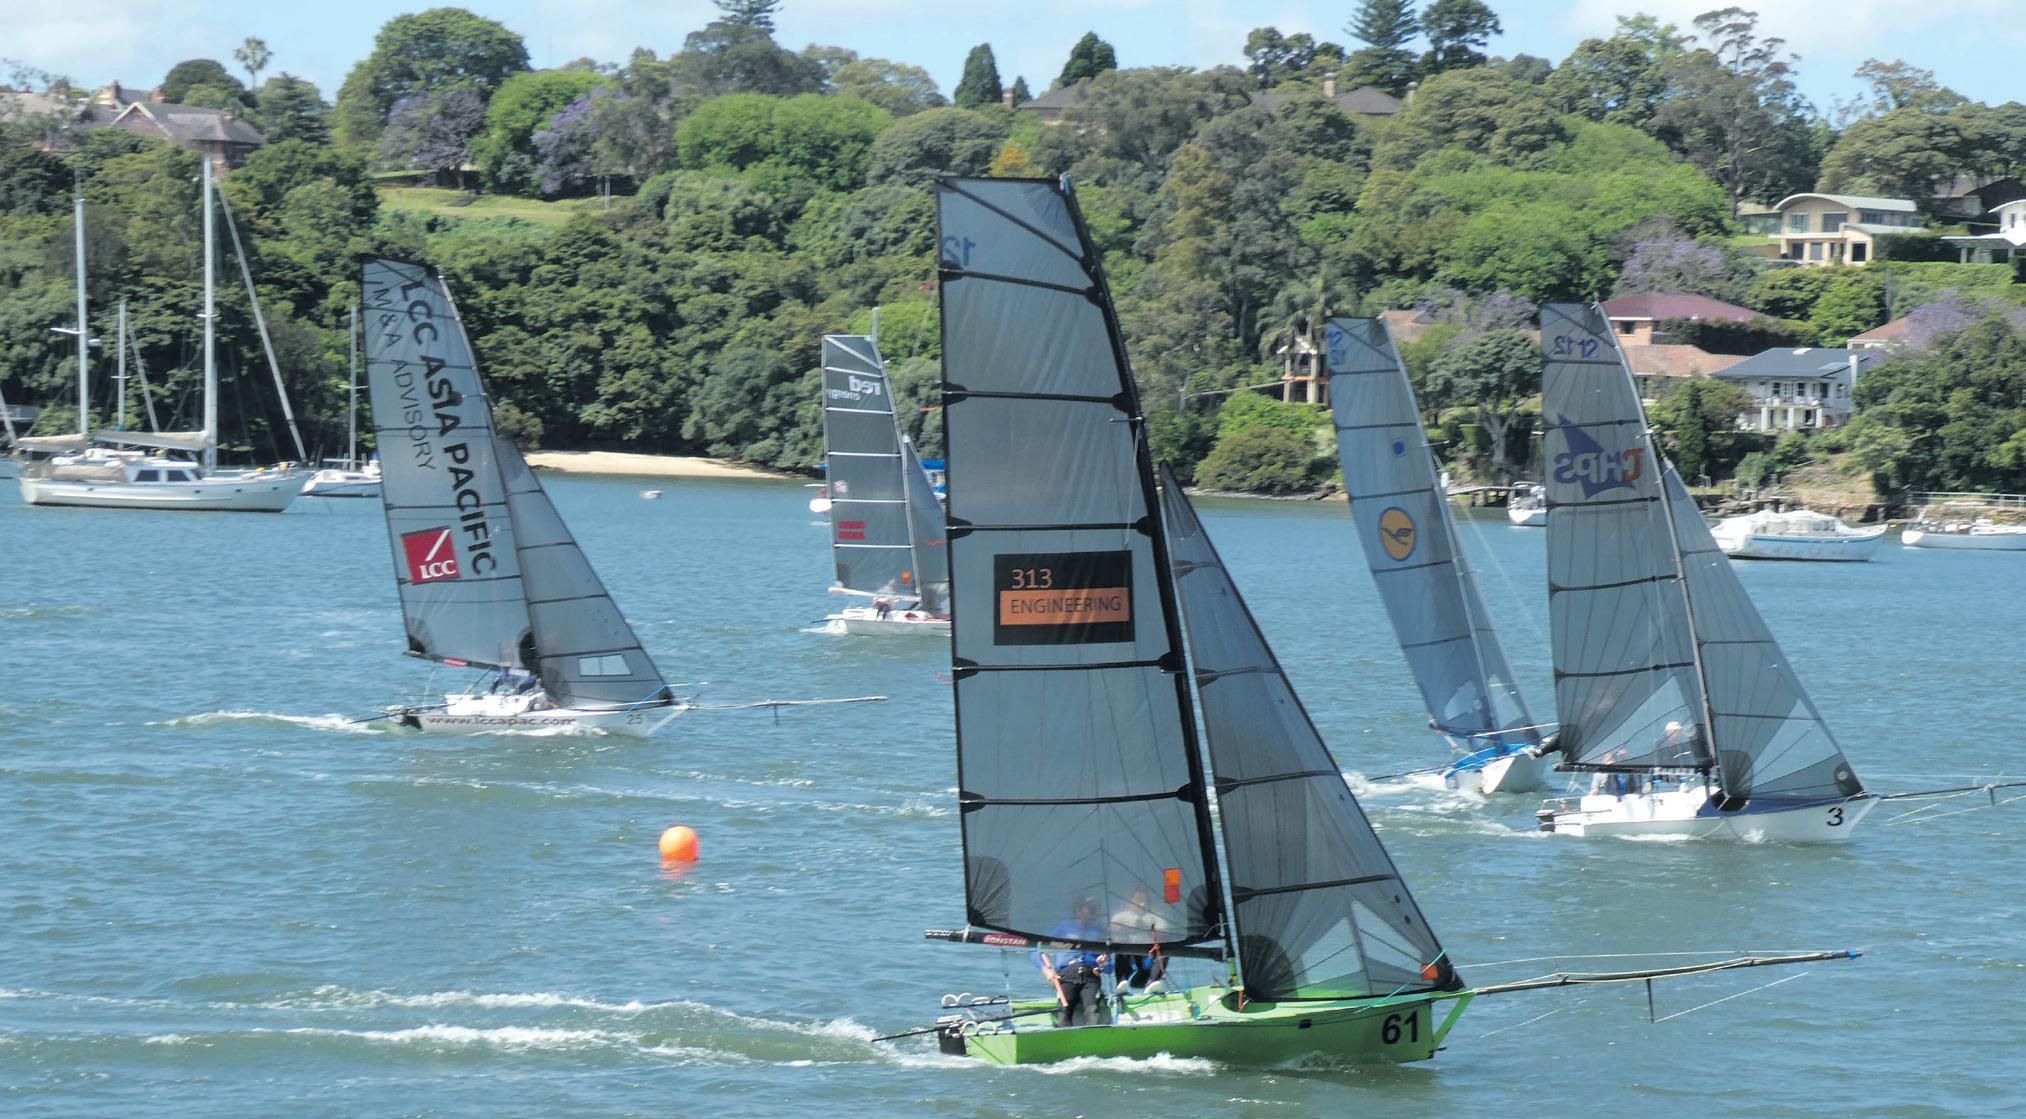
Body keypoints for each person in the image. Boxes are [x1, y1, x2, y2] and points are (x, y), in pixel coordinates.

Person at [1034, 897, 1107, 1027]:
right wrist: (1046, 970)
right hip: (1066, 977)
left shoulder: (1098, 932)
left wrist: (1103, 963)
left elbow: (1109, 964)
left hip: (1090, 977)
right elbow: (1036, 949)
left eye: (1090, 910)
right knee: (1064, 1013)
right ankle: (1063, 1035)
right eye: (1082, 909)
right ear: (1077, 911)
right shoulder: (1063, 930)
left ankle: (1093, 1036)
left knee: (1092, 1011)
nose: (1085, 913)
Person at [1110, 886, 1171, 993]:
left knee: (1164, 953)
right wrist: (1126, 928)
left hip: (1148, 955)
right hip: (1131, 956)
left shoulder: (1154, 917)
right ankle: (1121, 983)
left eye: (1142, 900)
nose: (1139, 903)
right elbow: (1112, 929)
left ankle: (1152, 983)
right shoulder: (1120, 917)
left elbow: (1164, 933)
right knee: (1121, 952)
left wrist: (1144, 926)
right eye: (1137, 899)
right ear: (1130, 901)